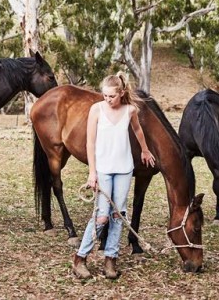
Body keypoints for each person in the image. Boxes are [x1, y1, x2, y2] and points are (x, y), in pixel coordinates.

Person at [72, 71, 155, 281]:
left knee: (118, 215)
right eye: (105, 95)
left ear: (121, 93)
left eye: (111, 96)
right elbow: (90, 143)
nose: (107, 99)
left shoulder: (130, 110)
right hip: (103, 169)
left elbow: (138, 130)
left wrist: (145, 150)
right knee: (101, 217)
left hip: (124, 168)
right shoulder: (96, 109)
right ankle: (80, 258)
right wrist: (92, 172)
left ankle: (111, 259)